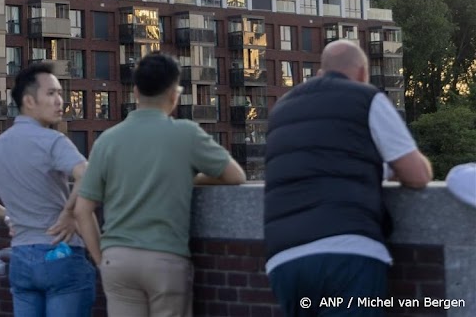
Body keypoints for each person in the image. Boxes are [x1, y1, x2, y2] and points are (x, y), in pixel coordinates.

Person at [264, 39, 432, 316]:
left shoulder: (280, 109)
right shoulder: (365, 97)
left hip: (284, 259)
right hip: (347, 252)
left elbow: (315, 162)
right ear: (363, 74)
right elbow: (417, 175)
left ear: (320, 73)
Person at [74, 52, 245, 317]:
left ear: (135, 91)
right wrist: (189, 176)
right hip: (165, 257)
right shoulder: (186, 133)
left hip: (117, 259)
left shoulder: (107, 141)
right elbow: (236, 176)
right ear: (174, 95)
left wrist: (101, 259)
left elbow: (82, 210)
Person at [0, 62, 98, 317]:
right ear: (29, 101)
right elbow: (88, 174)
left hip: (21, 257)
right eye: (51, 93)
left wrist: (6, 214)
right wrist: (67, 213)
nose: (59, 101)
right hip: (60, 253)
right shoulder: (53, 141)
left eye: (60, 93)